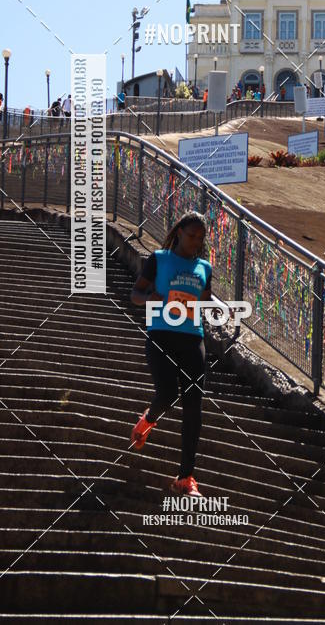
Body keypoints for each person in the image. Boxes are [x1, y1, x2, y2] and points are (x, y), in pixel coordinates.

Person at [130, 211, 212, 496]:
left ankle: (185, 478)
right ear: (179, 233)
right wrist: (148, 298)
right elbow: (135, 294)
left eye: (200, 238)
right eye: (191, 236)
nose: (196, 242)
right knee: (166, 395)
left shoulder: (205, 267)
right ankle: (149, 419)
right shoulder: (159, 259)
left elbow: (204, 301)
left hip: (193, 339)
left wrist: (210, 306)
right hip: (161, 336)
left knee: (193, 407)